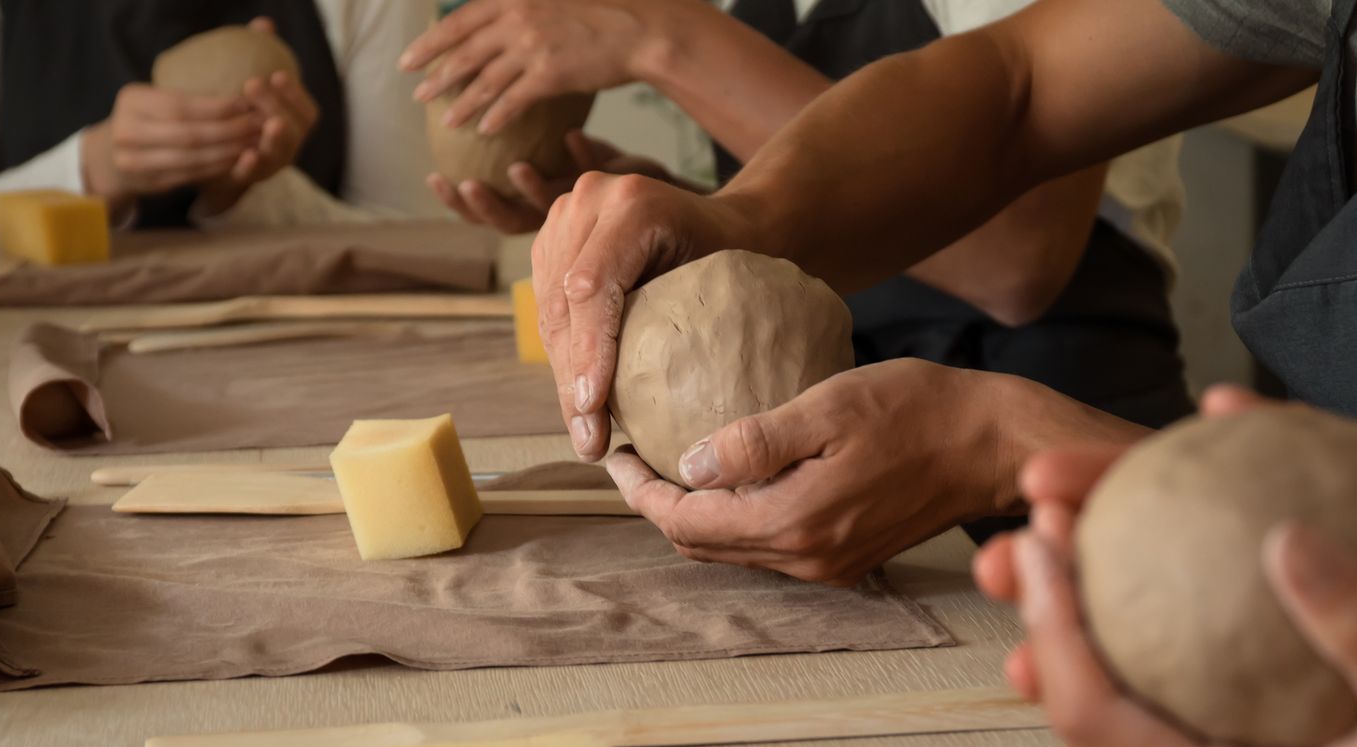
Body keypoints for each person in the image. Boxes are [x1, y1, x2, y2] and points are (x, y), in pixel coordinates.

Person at [521, 0, 1357, 747]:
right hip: (1258, 578)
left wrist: (1004, 440)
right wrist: (744, 219)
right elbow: (1020, 85)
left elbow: (1020, 254)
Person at [403, 0, 1195, 502]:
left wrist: (660, 34)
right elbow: (799, 226)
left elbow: (1014, 255)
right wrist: (695, 214)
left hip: (1058, 438)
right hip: (817, 459)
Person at [0, 0, 438, 240]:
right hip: (25, 347)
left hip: (314, 352)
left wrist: (248, 197)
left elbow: (417, 236)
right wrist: (91, 173)